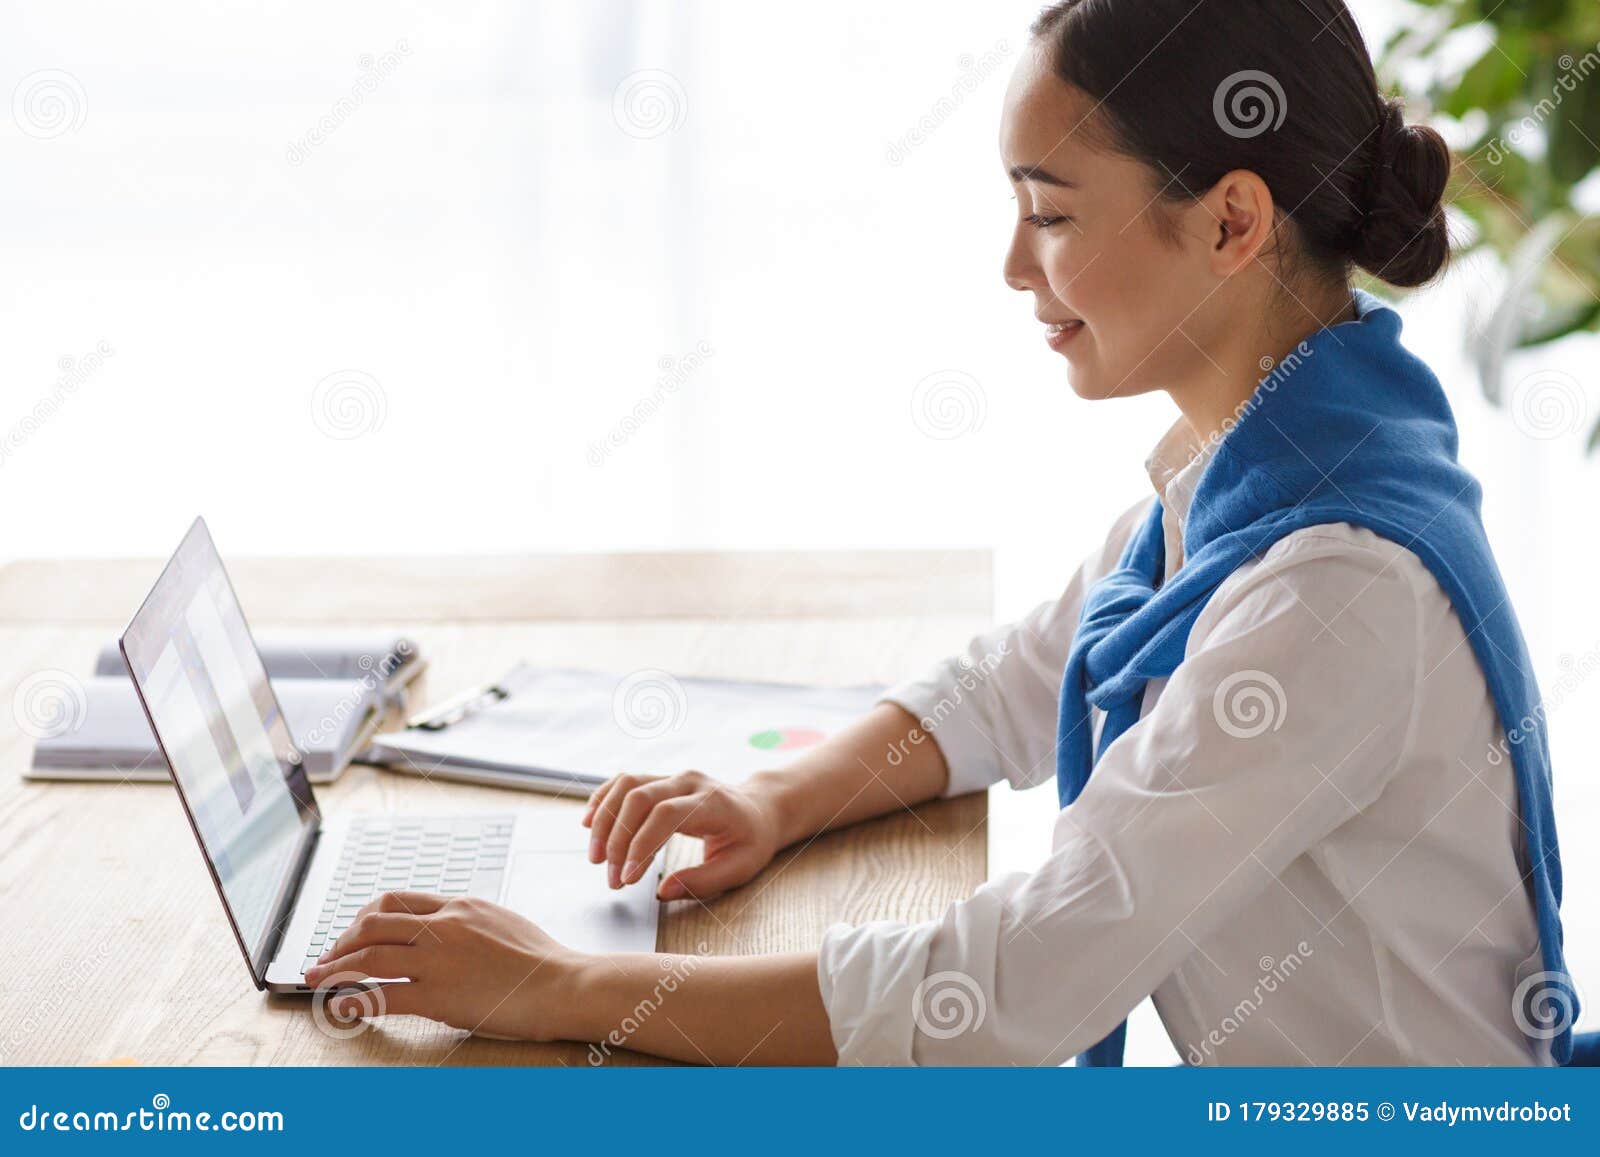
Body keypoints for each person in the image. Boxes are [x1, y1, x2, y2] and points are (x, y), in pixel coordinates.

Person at [305, 0, 1584, 1065]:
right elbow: (1021, 678)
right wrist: (775, 795)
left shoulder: (1336, 587)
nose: (1015, 267)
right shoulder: (1262, 464)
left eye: (1054, 212)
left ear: (1231, 221)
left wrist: (561, 987)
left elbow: (1006, 986)